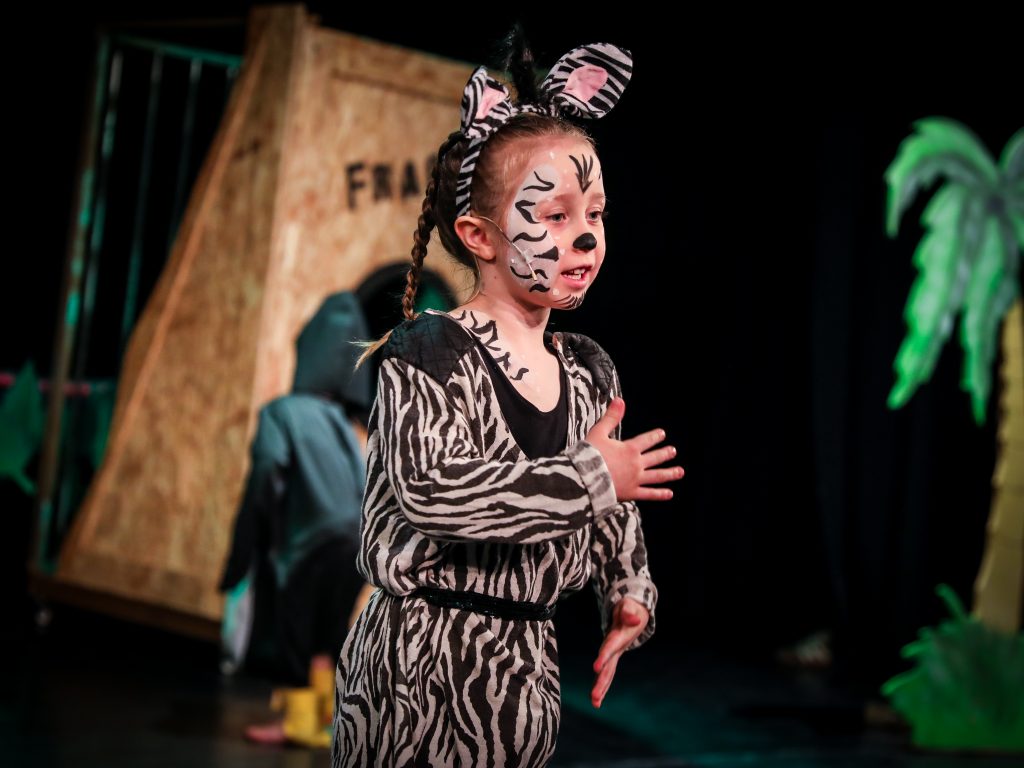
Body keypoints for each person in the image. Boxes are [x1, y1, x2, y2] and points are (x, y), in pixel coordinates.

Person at [332, 31, 683, 767]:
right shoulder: (429, 351)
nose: (584, 237)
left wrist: (628, 588)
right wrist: (592, 477)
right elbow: (438, 494)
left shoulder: (588, 370)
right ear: (479, 235)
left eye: (595, 214)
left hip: (525, 669)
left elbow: (609, 507)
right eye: (554, 216)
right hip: (419, 668)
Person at [219, 291, 375, 745]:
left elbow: (268, 469)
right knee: (328, 633)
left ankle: (298, 724)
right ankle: (327, 720)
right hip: (354, 547)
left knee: (295, 628)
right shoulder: (346, 428)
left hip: (309, 542)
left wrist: (253, 538)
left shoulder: (282, 413)